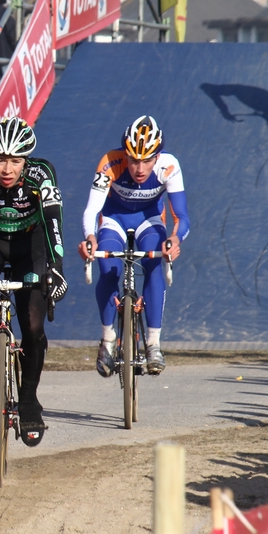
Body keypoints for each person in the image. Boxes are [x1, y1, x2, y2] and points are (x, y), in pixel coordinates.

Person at [0, 116, 67, 447]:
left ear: (26, 160)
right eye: (0, 158)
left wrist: (56, 267)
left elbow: (53, 223)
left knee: (32, 323)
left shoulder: (41, 174)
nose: (6, 168)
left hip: (27, 246)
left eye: (15, 160)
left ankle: (30, 397)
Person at [78, 115, 190, 377]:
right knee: (109, 270)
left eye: (147, 160)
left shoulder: (169, 166)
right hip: (114, 220)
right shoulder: (110, 162)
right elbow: (92, 209)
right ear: (125, 156)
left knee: (153, 263)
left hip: (149, 220)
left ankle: (153, 344)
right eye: (133, 160)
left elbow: (182, 217)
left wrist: (175, 239)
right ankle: (107, 340)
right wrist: (90, 237)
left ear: (157, 157)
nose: (140, 168)